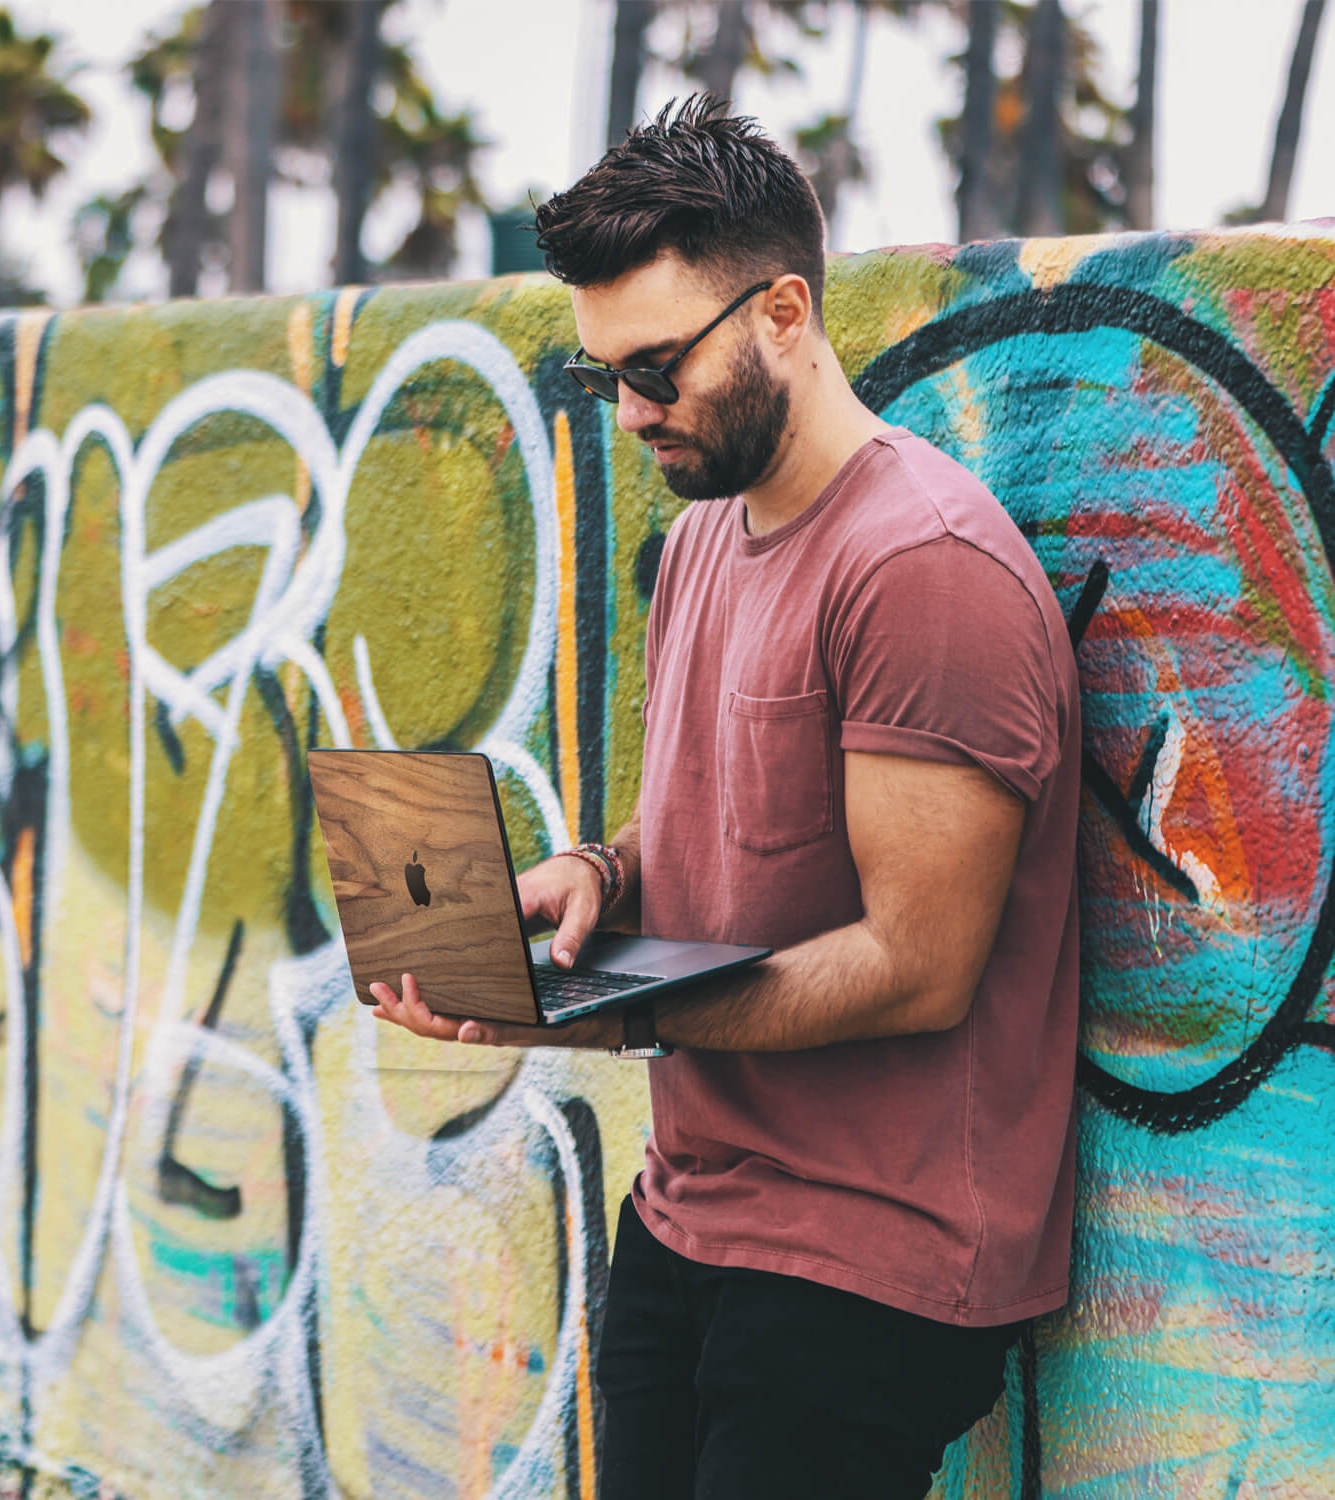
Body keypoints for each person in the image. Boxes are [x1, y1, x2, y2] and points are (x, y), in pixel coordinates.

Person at [368, 96, 1080, 1500]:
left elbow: (920, 967)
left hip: (871, 1259)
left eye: (656, 368)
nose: (632, 413)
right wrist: (602, 878)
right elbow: (722, 824)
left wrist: (606, 1010)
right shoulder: (706, 541)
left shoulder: (921, 567)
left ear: (785, 313)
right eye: (604, 378)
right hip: (691, 1212)